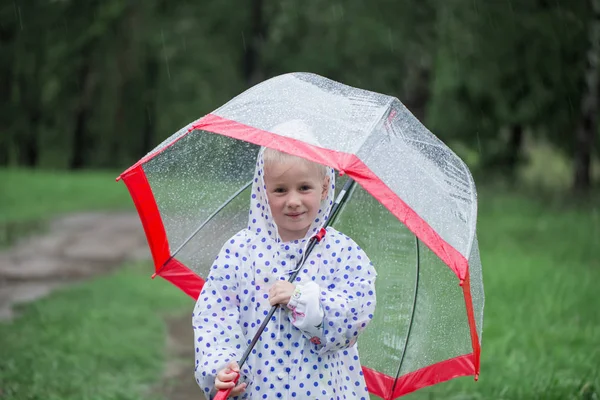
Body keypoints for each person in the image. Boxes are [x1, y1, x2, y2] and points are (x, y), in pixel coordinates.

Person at [192, 145, 377, 399]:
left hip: (322, 390)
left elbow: (354, 317)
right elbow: (215, 316)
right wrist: (222, 366)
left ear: (324, 188)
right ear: (263, 192)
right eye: (280, 190)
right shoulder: (240, 251)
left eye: (304, 188)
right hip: (259, 389)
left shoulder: (342, 252)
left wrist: (302, 299)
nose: (293, 201)